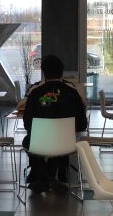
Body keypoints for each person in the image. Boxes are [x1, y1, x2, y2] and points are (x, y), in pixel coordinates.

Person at [22, 54, 88, 192]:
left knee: (28, 140)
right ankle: (54, 176)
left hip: (40, 142)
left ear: (44, 73)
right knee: (57, 141)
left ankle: (42, 176)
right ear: (62, 72)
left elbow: (27, 124)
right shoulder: (73, 93)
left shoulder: (35, 93)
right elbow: (82, 125)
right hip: (67, 143)